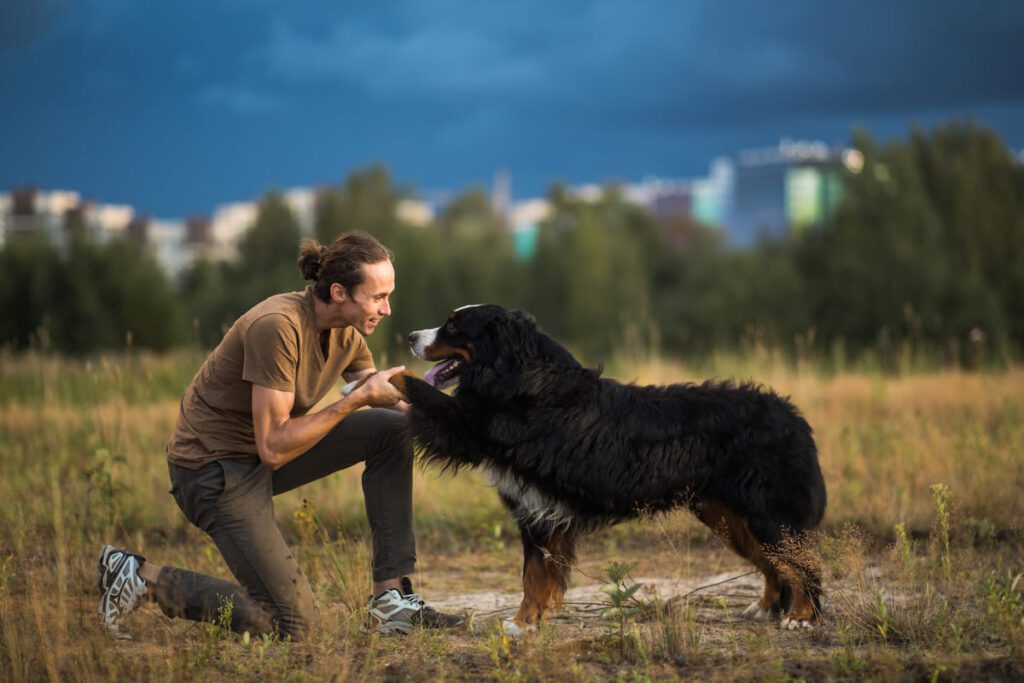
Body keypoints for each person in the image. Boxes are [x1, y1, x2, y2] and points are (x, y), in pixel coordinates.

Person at [97, 231, 462, 640]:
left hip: (263, 456)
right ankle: (139, 577)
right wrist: (353, 401)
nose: (388, 309)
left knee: (393, 429)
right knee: (295, 625)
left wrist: (461, 415)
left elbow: (391, 403)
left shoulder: (348, 333)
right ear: (339, 292)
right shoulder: (277, 327)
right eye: (378, 297)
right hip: (213, 472)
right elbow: (273, 448)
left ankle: (391, 601)